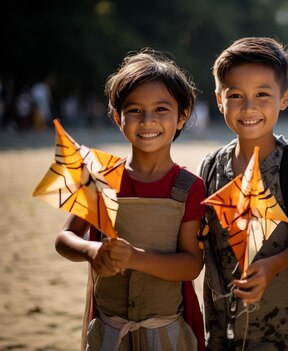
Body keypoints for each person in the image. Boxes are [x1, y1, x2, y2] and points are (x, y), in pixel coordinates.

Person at [54, 49, 206, 350]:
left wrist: (135, 257)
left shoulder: (190, 187)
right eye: (135, 110)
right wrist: (91, 251)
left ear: (182, 116)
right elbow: (64, 238)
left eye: (161, 109)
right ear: (117, 117)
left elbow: (191, 265)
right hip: (108, 329)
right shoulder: (99, 174)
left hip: (166, 328)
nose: (148, 120)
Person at [197, 37, 288, 350]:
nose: (249, 106)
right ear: (219, 99)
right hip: (221, 330)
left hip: (285, 333)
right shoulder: (212, 166)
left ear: (283, 98)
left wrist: (273, 264)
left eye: (262, 94)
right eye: (236, 95)